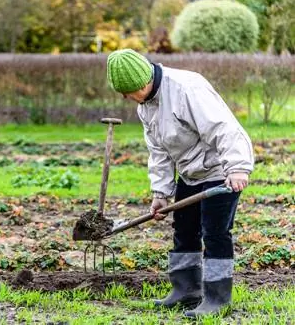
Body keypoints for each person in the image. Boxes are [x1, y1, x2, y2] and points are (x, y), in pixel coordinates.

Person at [106, 49, 254, 318]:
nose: (126, 99)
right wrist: (161, 193)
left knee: (215, 233)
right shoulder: (146, 106)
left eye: (128, 92)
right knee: (184, 231)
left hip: (219, 171)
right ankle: (186, 291)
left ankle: (217, 299)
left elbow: (224, 128)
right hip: (190, 173)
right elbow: (159, 152)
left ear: (142, 83)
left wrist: (238, 167)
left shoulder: (187, 89)